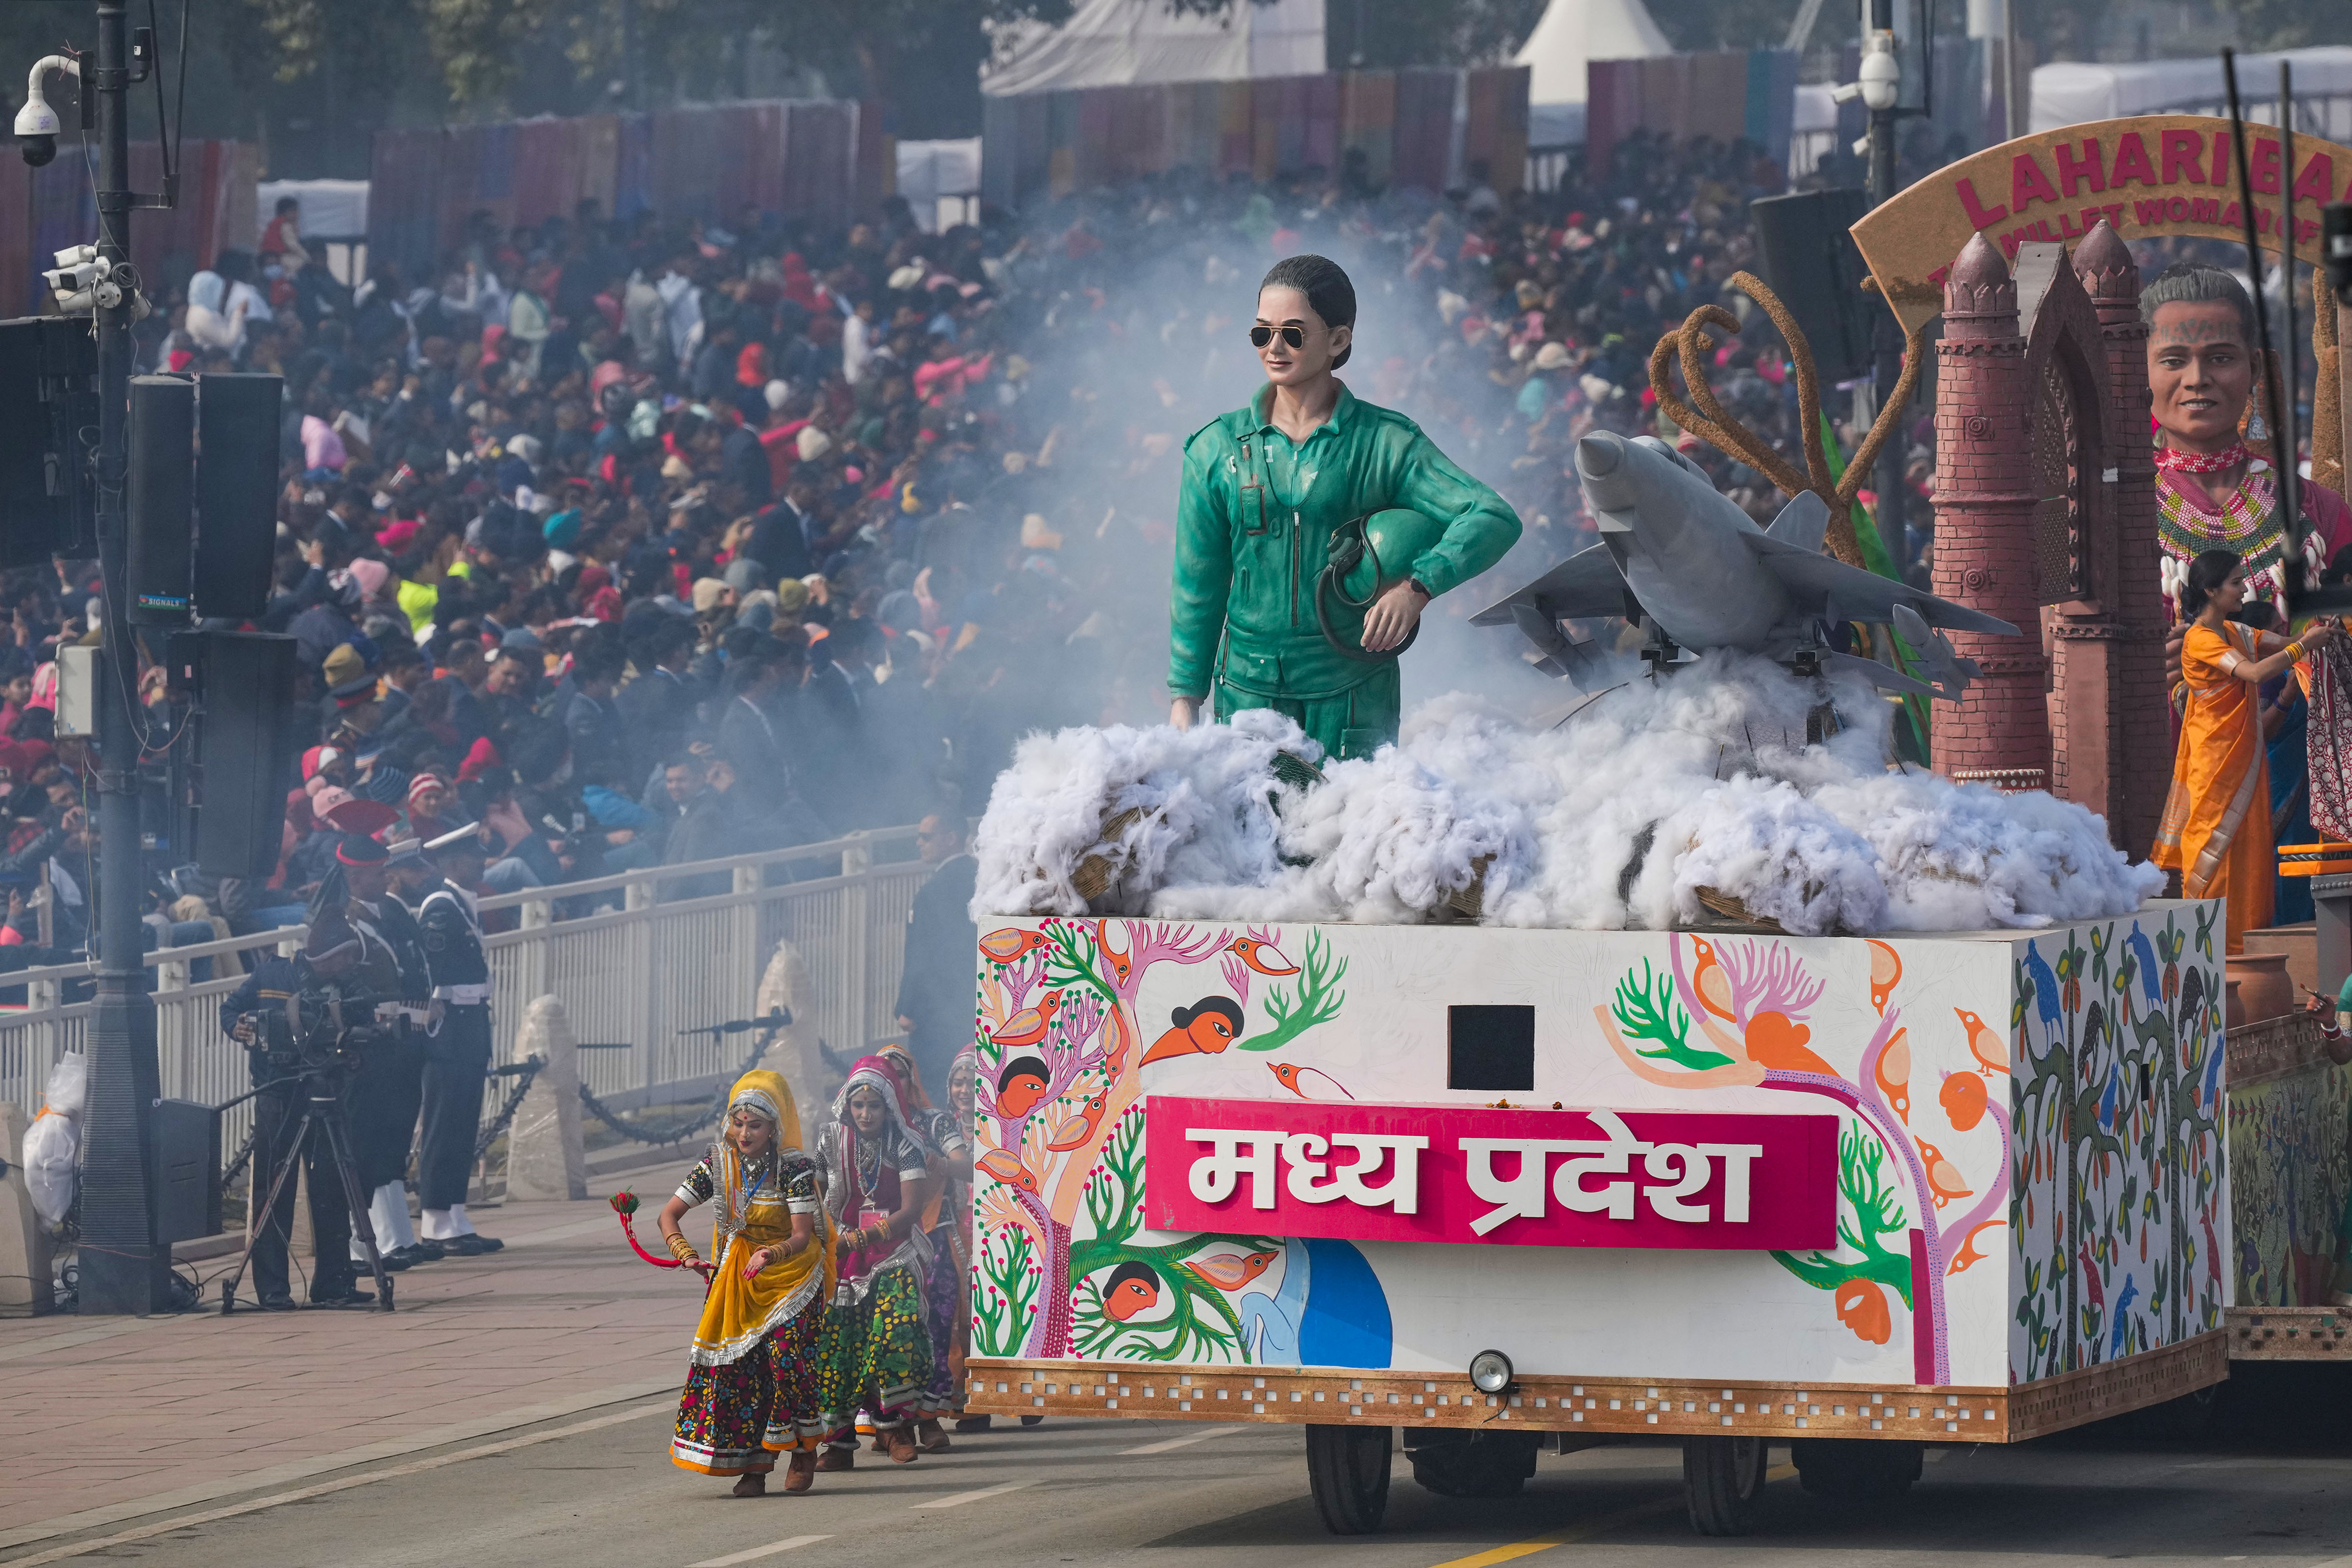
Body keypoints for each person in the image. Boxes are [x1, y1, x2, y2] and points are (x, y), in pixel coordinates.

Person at [1168, 253, 1521, 761]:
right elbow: (1197, 581)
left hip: (1354, 693)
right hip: (1246, 692)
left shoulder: (1386, 443)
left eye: (1293, 333)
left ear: (1338, 339)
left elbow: (1492, 516)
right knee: (1247, 838)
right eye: (1261, 333)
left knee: (1346, 835)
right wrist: (1186, 698)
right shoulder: (1215, 449)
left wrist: (1417, 588)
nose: (1274, 347)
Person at [2155, 549, 2345, 954]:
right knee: (2214, 849)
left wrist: (2321, 633)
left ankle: (2247, 949)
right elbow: (2256, 672)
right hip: (2215, 763)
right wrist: (2302, 648)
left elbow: (2289, 642)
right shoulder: (2200, 639)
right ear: (2210, 590)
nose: (2243, 589)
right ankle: (2210, 951)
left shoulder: (2237, 631)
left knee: (2252, 850)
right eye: (2236, 583)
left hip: (2245, 757)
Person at [658, 1068, 834, 1495]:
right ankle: (753, 1466)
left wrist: (771, 1253)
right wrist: (688, 1256)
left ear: (775, 1127)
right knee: (741, 1371)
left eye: (754, 1125)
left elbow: (802, 1234)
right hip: (739, 1277)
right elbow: (668, 1216)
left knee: (787, 1362)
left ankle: (803, 1451)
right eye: (738, 1123)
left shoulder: (794, 1167)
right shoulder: (716, 1163)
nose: (744, 1133)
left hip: (791, 1273)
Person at [2146, 263, 2352, 624]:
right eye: (2174, 360)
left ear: (2255, 368)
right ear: (2139, 370)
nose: (2197, 379)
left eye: (2221, 358)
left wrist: (2294, 657)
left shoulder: (2318, 510)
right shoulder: (2104, 516)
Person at [218, 906, 380, 1308]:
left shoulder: (354, 987)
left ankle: (334, 1284)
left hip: (326, 1090)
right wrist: (237, 1027)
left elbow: (365, 1039)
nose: (348, 964)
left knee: (333, 1188)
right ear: (325, 955)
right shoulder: (271, 975)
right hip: (278, 1093)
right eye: (343, 956)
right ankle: (272, 1289)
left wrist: (357, 1056)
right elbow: (230, 1010)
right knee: (274, 1190)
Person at [812, 1056, 937, 1468]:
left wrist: (864, 1237)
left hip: (894, 1250)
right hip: (843, 1255)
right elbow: (814, 1195)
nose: (865, 1114)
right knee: (839, 1344)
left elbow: (910, 1210)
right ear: (847, 1105)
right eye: (858, 1105)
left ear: (890, 1107)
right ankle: (840, 1444)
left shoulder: (906, 1143)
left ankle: (895, 1428)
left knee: (893, 1332)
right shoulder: (831, 1140)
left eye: (875, 1106)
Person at [414, 827, 505, 1253]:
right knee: (443, 1123)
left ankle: (453, 1210)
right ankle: (434, 1217)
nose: (481, 862)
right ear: (450, 864)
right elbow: (431, 968)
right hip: (450, 1025)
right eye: (473, 857)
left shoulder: (460, 905)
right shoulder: (441, 907)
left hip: (470, 1022)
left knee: (464, 1122)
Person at [876, 1042, 965, 1453]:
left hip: (933, 1237)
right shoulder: (869, 1126)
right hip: (883, 1245)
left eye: (902, 1074)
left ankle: (928, 1419)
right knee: (889, 1334)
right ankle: (891, 1423)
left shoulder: (934, 1122)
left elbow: (965, 1161)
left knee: (934, 1329)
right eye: (886, 1074)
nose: (896, 1081)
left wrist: (945, 1165)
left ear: (912, 1080)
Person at [893, 813, 977, 1101]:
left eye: (926, 836)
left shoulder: (933, 891)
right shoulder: (981, 877)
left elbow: (922, 955)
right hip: (971, 1005)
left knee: (933, 1091)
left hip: (934, 1013)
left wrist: (908, 1007)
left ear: (951, 838)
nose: (919, 843)